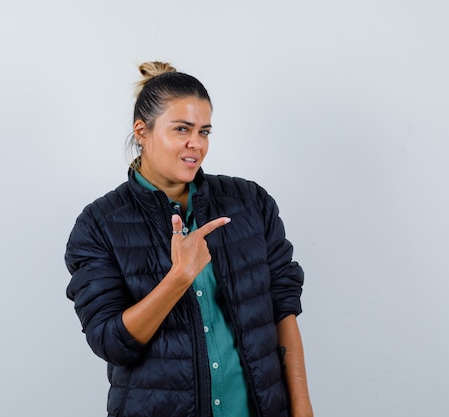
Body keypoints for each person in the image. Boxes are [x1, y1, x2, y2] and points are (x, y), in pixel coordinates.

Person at [65, 61, 313, 417]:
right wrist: (178, 277)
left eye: (204, 131)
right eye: (181, 129)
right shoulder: (99, 224)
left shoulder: (251, 203)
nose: (195, 144)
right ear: (142, 131)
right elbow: (111, 342)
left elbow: (283, 309)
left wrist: (302, 408)